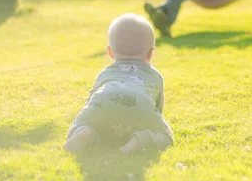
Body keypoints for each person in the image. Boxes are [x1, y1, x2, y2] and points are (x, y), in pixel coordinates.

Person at [63, 13, 174, 155]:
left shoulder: (105, 73)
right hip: (140, 102)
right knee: (166, 137)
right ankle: (136, 142)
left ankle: (86, 132)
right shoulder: (155, 76)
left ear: (110, 52)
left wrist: (92, 119)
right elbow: (157, 110)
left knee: (83, 123)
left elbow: (90, 101)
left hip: (103, 97)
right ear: (150, 53)